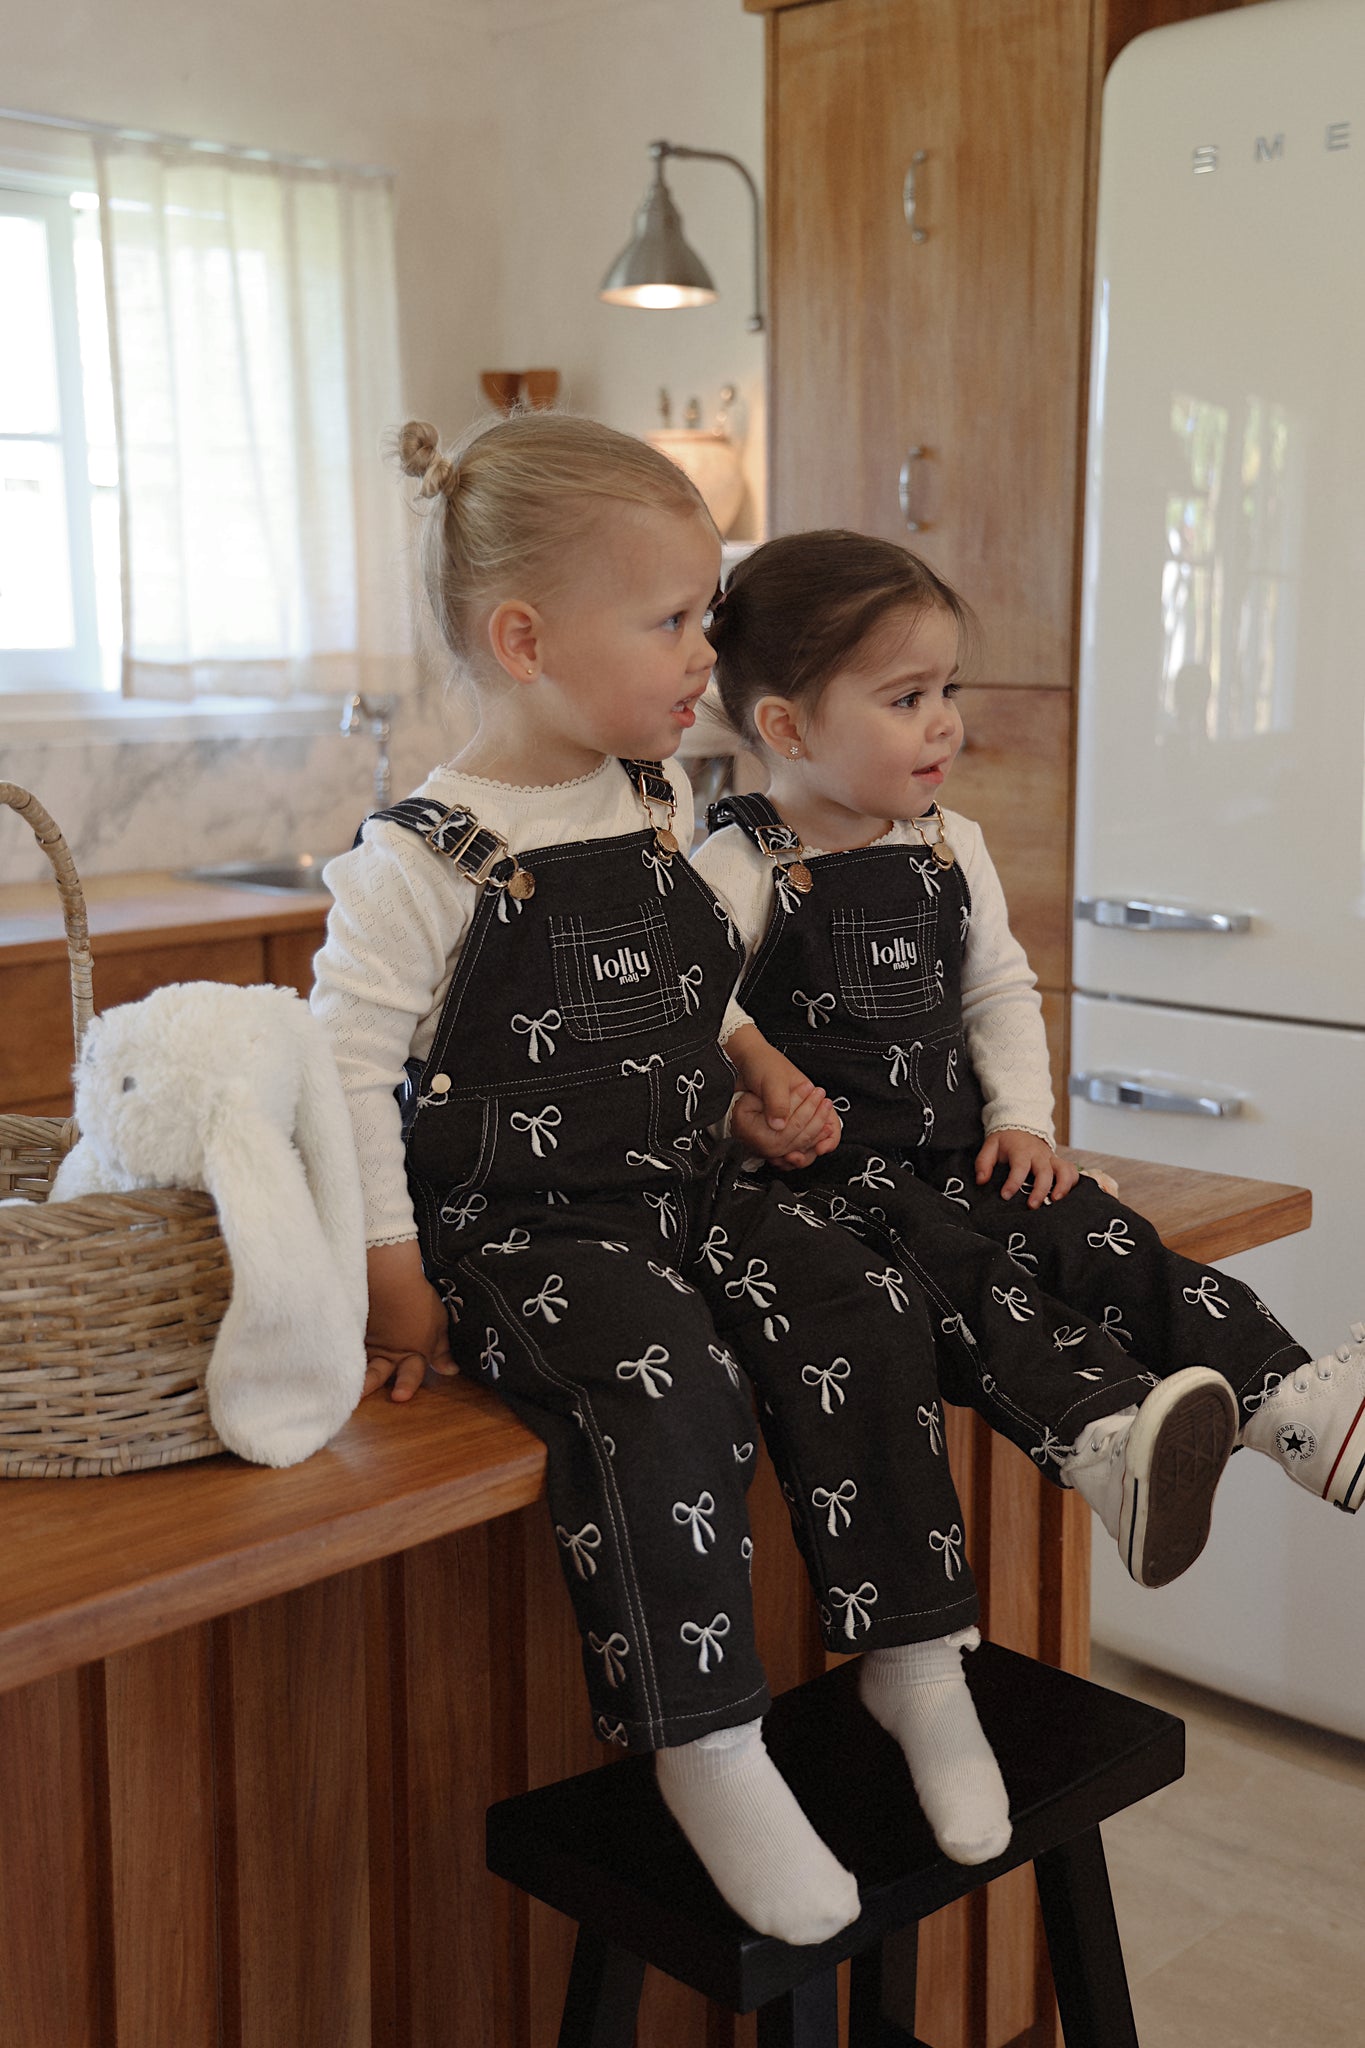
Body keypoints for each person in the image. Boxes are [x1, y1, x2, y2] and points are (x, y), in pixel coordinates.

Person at [311, 416, 1020, 1949]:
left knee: (860, 1302)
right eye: (672, 619)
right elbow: (343, 1076)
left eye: (706, 612)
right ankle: (706, 1742)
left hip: (680, 1189)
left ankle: (914, 1658)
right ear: (525, 640)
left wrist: (749, 1065)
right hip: (526, 1231)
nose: (708, 650)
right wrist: (390, 1273)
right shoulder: (415, 864)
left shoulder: (652, 799)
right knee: (673, 1389)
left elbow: (685, 990)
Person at [695, 528, 1365, 1587]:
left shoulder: (950, 842)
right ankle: (1107, 1444)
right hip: (831, 1186)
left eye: (947, 689)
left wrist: (1022, 1122)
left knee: (1099, 1233)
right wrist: (751, 1112)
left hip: (960, 1150)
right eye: (906, 697)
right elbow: (695, 1020)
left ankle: (1294, 1409)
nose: (944, 721)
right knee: (968, 1280)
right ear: (787, 726)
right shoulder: (734, 865)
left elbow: (997, 991)